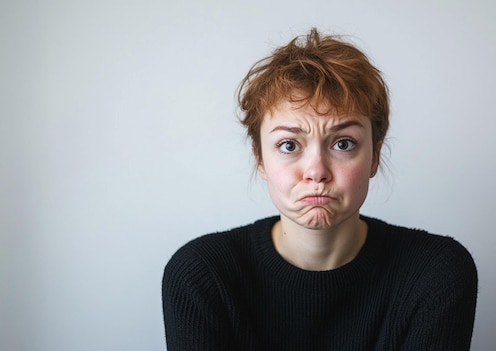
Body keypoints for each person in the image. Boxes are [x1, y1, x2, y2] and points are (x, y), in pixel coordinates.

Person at [162, 28, 478, 350]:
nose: (316, 172)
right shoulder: (203, 275)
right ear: (260, 159)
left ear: (375, 157)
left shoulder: (434, 273)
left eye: (343, 143)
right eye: (288, 145)